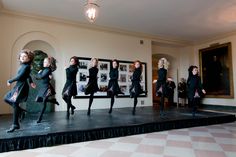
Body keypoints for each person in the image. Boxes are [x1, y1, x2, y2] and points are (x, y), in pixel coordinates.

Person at [4, 49, 36, 133]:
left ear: (29, 58)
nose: (22, 57)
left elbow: (20, 76)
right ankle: (21, 111)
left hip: (21, 86)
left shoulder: (26, 66)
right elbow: (28, 75)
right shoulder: (24, 66)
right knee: (6, 98)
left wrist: (10, 80)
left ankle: (15, 124)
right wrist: (31, 82)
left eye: (25, 56)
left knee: (15, 103)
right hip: (18, 86)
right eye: (21, 56)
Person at [35, 57, 59, 123]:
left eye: (45, 62)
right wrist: (39, 74)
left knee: (43, 103)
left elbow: (40, 77)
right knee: (38, 100)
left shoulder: (48, 70)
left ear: (49, 64)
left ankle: (40, 118)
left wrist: (39, 73)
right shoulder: (44, 70)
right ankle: (52, 100)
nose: (43, 63)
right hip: (42, 87)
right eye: (44, 62)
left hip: (46, 87)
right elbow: (37, 78)